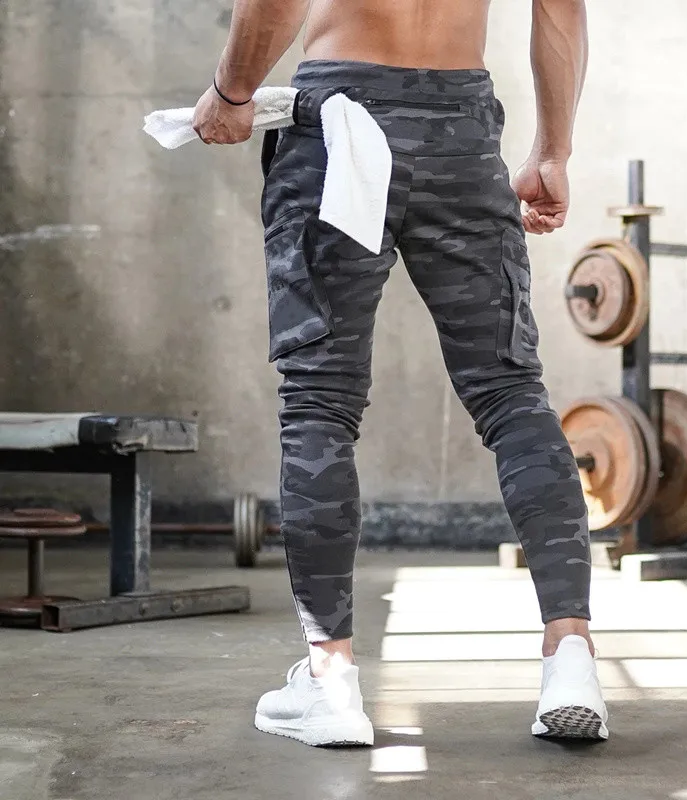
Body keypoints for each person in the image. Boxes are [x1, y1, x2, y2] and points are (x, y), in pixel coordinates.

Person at [193, 0, 607, 747]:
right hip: (461, 132)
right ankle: (570, 654)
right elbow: (561, 7)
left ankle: (331, 682)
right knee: (512, 393)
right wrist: (553, 150)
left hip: (341, 120)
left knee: (319, 402)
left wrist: (232, 91)